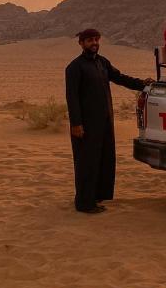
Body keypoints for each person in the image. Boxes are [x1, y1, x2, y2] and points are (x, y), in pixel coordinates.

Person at [65, 28, 153, 214]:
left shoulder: (102, 63)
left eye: (96, 39)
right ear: (81, 43)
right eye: (89, 40)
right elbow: (71, 98)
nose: (94, 43)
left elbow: (120, 78)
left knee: (103, 159)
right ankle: (84, 203)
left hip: (104, 122)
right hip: (85, 125)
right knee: (86, 162)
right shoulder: (74, 67)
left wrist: (142, 84)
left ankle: (97, 197)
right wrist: (76, 124)